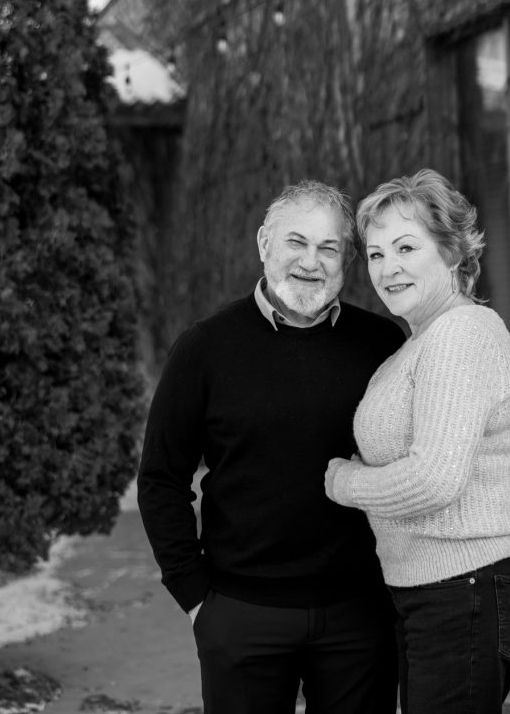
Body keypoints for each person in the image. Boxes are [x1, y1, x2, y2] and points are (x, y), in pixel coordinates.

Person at [137, 180, 405, 714]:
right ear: (264, 244)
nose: (311, 261)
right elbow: (161, 479)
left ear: (346, 260)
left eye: (329, 248)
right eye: (295, 242)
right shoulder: (205, 348)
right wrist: (196, 599)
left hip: (359, 614)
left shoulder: (382, 345)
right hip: (241, 613)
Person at [324, 169, 510, 714]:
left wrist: (345, 482)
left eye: (405, 247)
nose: (388, 267)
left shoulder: (461, 333)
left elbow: (434, 479)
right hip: (433, 588)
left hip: (463, 587)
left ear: (451, 251)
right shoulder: (418, 344)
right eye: (374, 254)